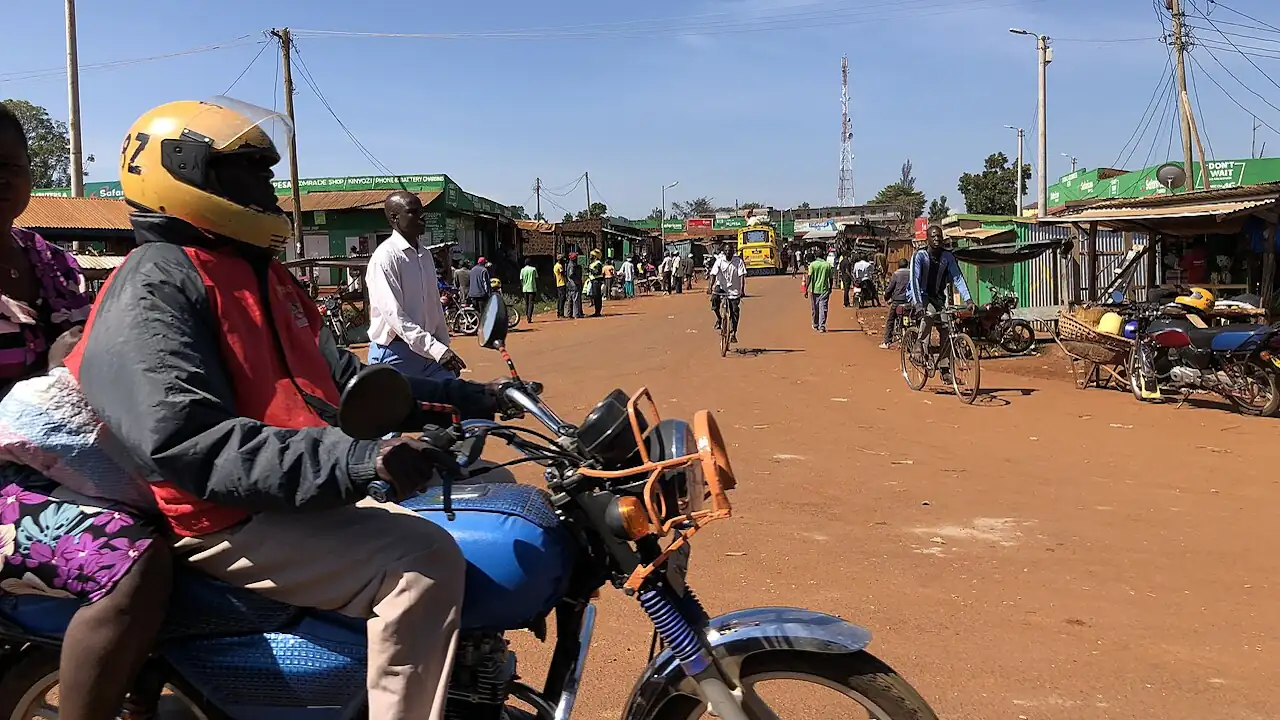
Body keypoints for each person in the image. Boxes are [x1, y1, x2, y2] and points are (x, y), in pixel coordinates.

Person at [64, 97, 507, 720]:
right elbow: (186, 438)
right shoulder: (158, 280)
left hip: (287, 485)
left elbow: (345, 380)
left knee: (489, 494)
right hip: (224, 514)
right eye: (252, 171)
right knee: (422, 562)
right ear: (187, 174)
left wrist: (473, 398)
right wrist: (360, 458)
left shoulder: (264, 275)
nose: (271, 187)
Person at [0, 100, 173, 720]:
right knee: (136, 566)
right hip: (6, 481)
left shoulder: (49, 260)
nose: (0, 178)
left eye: (10, 165)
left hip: (69, 457)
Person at [366, 192, 465, 381]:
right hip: (396, 355)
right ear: (395, 217)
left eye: (422, 211)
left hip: (428, 352)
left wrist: (443, 347)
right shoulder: (385, 258)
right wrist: (436, 349)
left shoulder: (425, 255)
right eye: (413, 212)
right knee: (404, 410)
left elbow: (434, 305)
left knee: (453, 400)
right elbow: (395, 315)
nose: (422, 217)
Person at [910, 225, 973, 379]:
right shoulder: (920, 256)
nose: (937, 239)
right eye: (933, 236)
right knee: (929, 314)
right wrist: (918, 304)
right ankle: (919, 344)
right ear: (927, 239)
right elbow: (914, 281)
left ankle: (945, 369)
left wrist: (969, 299)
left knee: (947, 326)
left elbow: (958, 278)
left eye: (939, 236)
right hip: (920, 296)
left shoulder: (947, 257)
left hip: (938, 297)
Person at [708, 243, 747, 343]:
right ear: (724, 252)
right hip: (721, 286)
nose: (728, 252)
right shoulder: (720, 261)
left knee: (735, 311)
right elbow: (713, 274)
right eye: (726, 251)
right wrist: (709, 287)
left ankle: (733, 332)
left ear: (733, 252)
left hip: (734, 289)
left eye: (730, 250)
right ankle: (719, 318)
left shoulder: (738, 262)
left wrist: (742, 290)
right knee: (714, 299)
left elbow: (742, 276)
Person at [879, 258, 912, 349]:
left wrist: (886, 297)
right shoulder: (911, 273)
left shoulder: (896, 274)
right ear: (907, 265)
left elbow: (890, 288)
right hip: (909, 301)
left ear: (899, 265)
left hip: (897, 301)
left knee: (890, 320)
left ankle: (887, 342)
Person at [806, 250, 834, 333]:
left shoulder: (812, 265)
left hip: (814, 290)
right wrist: (830, 288)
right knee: (823, 308)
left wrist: (806, 289)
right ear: (823, 256)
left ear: (816, 256)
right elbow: (831, 278)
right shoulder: (827, 265)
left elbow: (809, 277)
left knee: (815, 308)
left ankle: (815, 324)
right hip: (824, 289)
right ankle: (822, 326)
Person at [587, 249, 606, 317]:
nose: (590, 256)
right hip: (593, 281)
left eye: (591, 255)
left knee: (597, 297)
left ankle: (598, 312)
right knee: (595, 296)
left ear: (595, 256)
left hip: (596, 281)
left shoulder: (598, 263)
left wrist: (591, 270)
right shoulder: (593, 263)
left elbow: (597, 272)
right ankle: (596, 311)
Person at [519, 257, 538, 322]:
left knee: (526, 303)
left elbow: (521, 280)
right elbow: (536, 278)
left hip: (525, 288)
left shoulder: (522, 270)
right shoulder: (533, 269)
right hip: (532, 288)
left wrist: (523, 286)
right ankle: (529, 316)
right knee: (531, 303)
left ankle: (527, 314)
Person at [565, 251, 583, 318]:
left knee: (570, 300)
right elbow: (571, 274)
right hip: (574, 284)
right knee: (575, 299)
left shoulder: (569, 264)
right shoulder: (572, 265)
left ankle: (569, 314)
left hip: (570, 285)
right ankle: (576, 314)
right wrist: (577, 280)